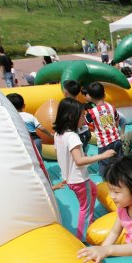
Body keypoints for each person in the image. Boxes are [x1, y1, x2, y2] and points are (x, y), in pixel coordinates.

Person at [53, 98, 115, 241]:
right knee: (84, 208)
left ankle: (88, 223)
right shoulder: (72, 136)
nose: (84, 118)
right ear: (71, 117)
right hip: (79, 179)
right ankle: (83, 237)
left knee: (93, 191)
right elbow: (79, 161)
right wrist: (102, 156)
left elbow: (61, 154)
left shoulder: (58, 134)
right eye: (81, 115)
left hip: (72, 178)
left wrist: (65, 173)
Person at [83, 81, 123, 177]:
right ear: (104, 94)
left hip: (104, 143)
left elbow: (85, 123)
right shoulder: (111, 107)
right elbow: (117, 120)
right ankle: (121, 177)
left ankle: (105, 183)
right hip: (117, 139)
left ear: (91, 97)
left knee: (104, 163)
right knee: (120, 162)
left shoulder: (92, 112)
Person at [6, 93, 53, 157]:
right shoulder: (29, 116)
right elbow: (41, 128)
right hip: (35, 140)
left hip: (20, 140)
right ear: (24, 106)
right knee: (38, 157)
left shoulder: (9, 117)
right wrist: (49, 134)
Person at [63, 80, 91, 154]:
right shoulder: (80, 105)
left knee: (76, 154)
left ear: (65, 92)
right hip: (85, 132)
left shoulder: (67, 106)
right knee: (82, 151)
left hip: (77, 134)